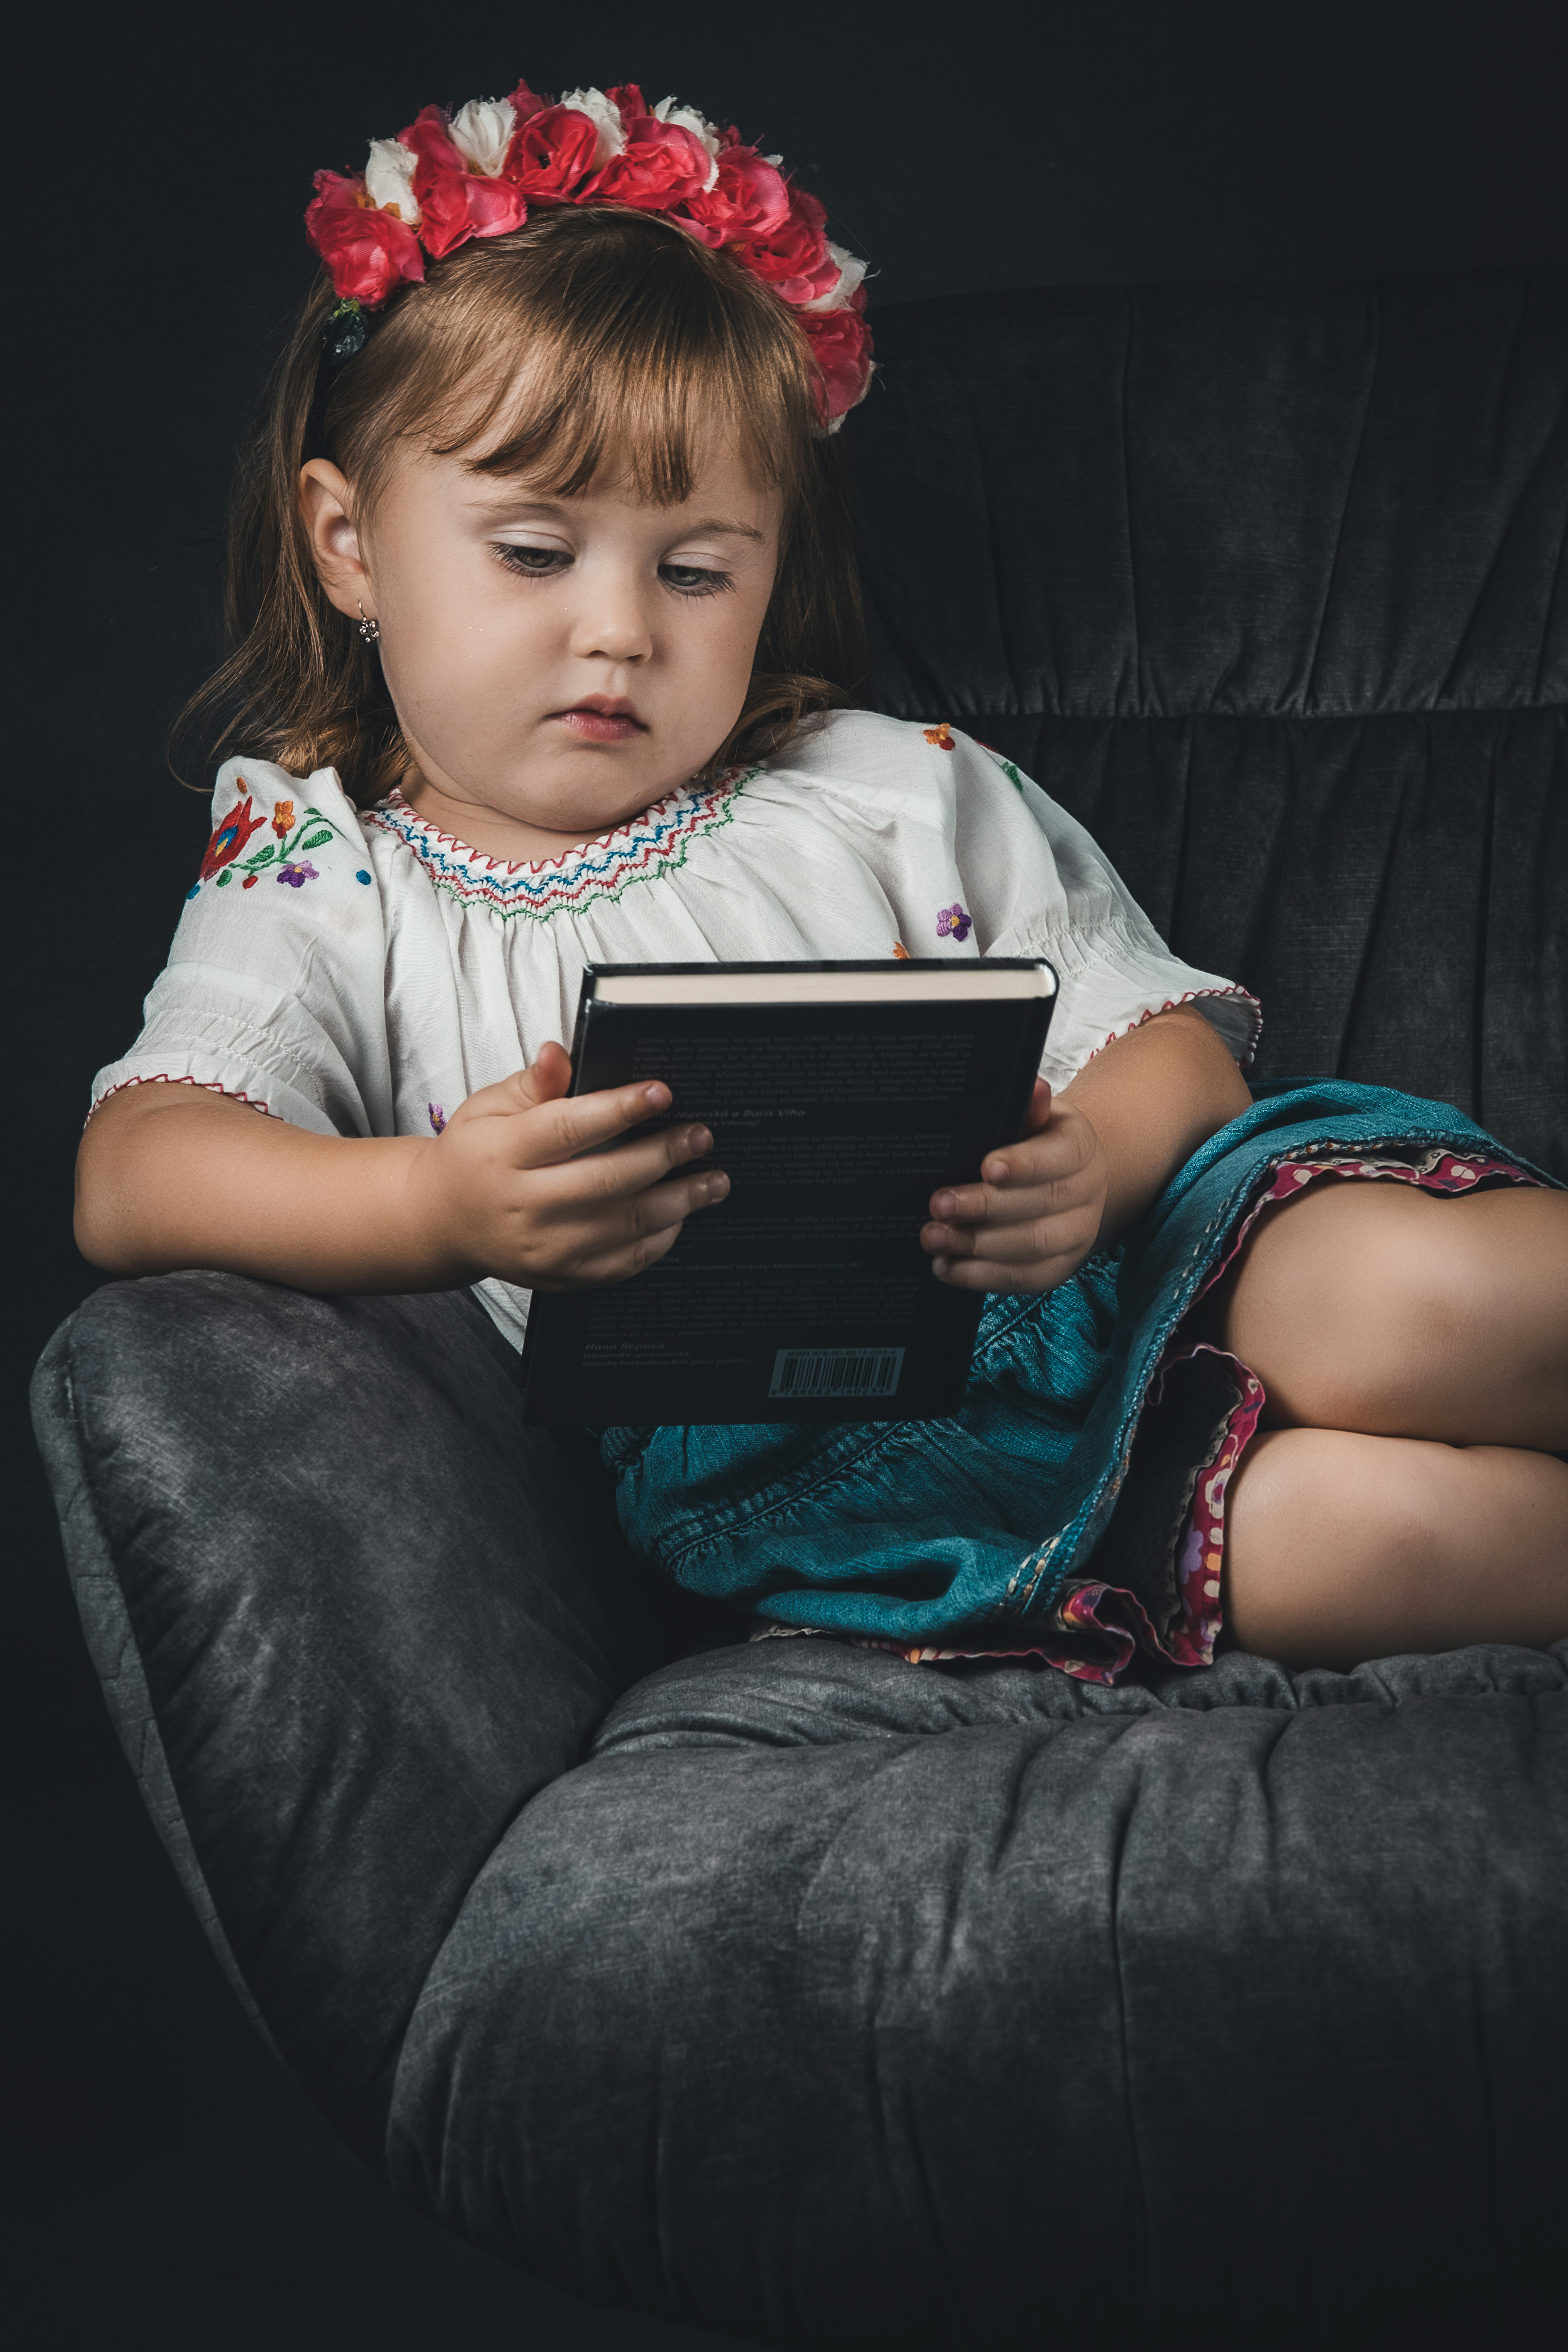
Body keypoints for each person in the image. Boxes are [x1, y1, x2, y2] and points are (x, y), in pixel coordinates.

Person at [74, 72, 1568, 1682]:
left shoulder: (876, 786)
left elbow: (1166, 1045)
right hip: (847, 1446)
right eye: (531, 551)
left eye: (694, 567)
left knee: (1419, 1296)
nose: (619, 628)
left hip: (1133, 1269)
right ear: (348, 541)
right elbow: (141, 1168)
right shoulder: (320, 862)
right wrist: (434, 1204)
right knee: (1382, 1538)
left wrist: (1092, 1159)